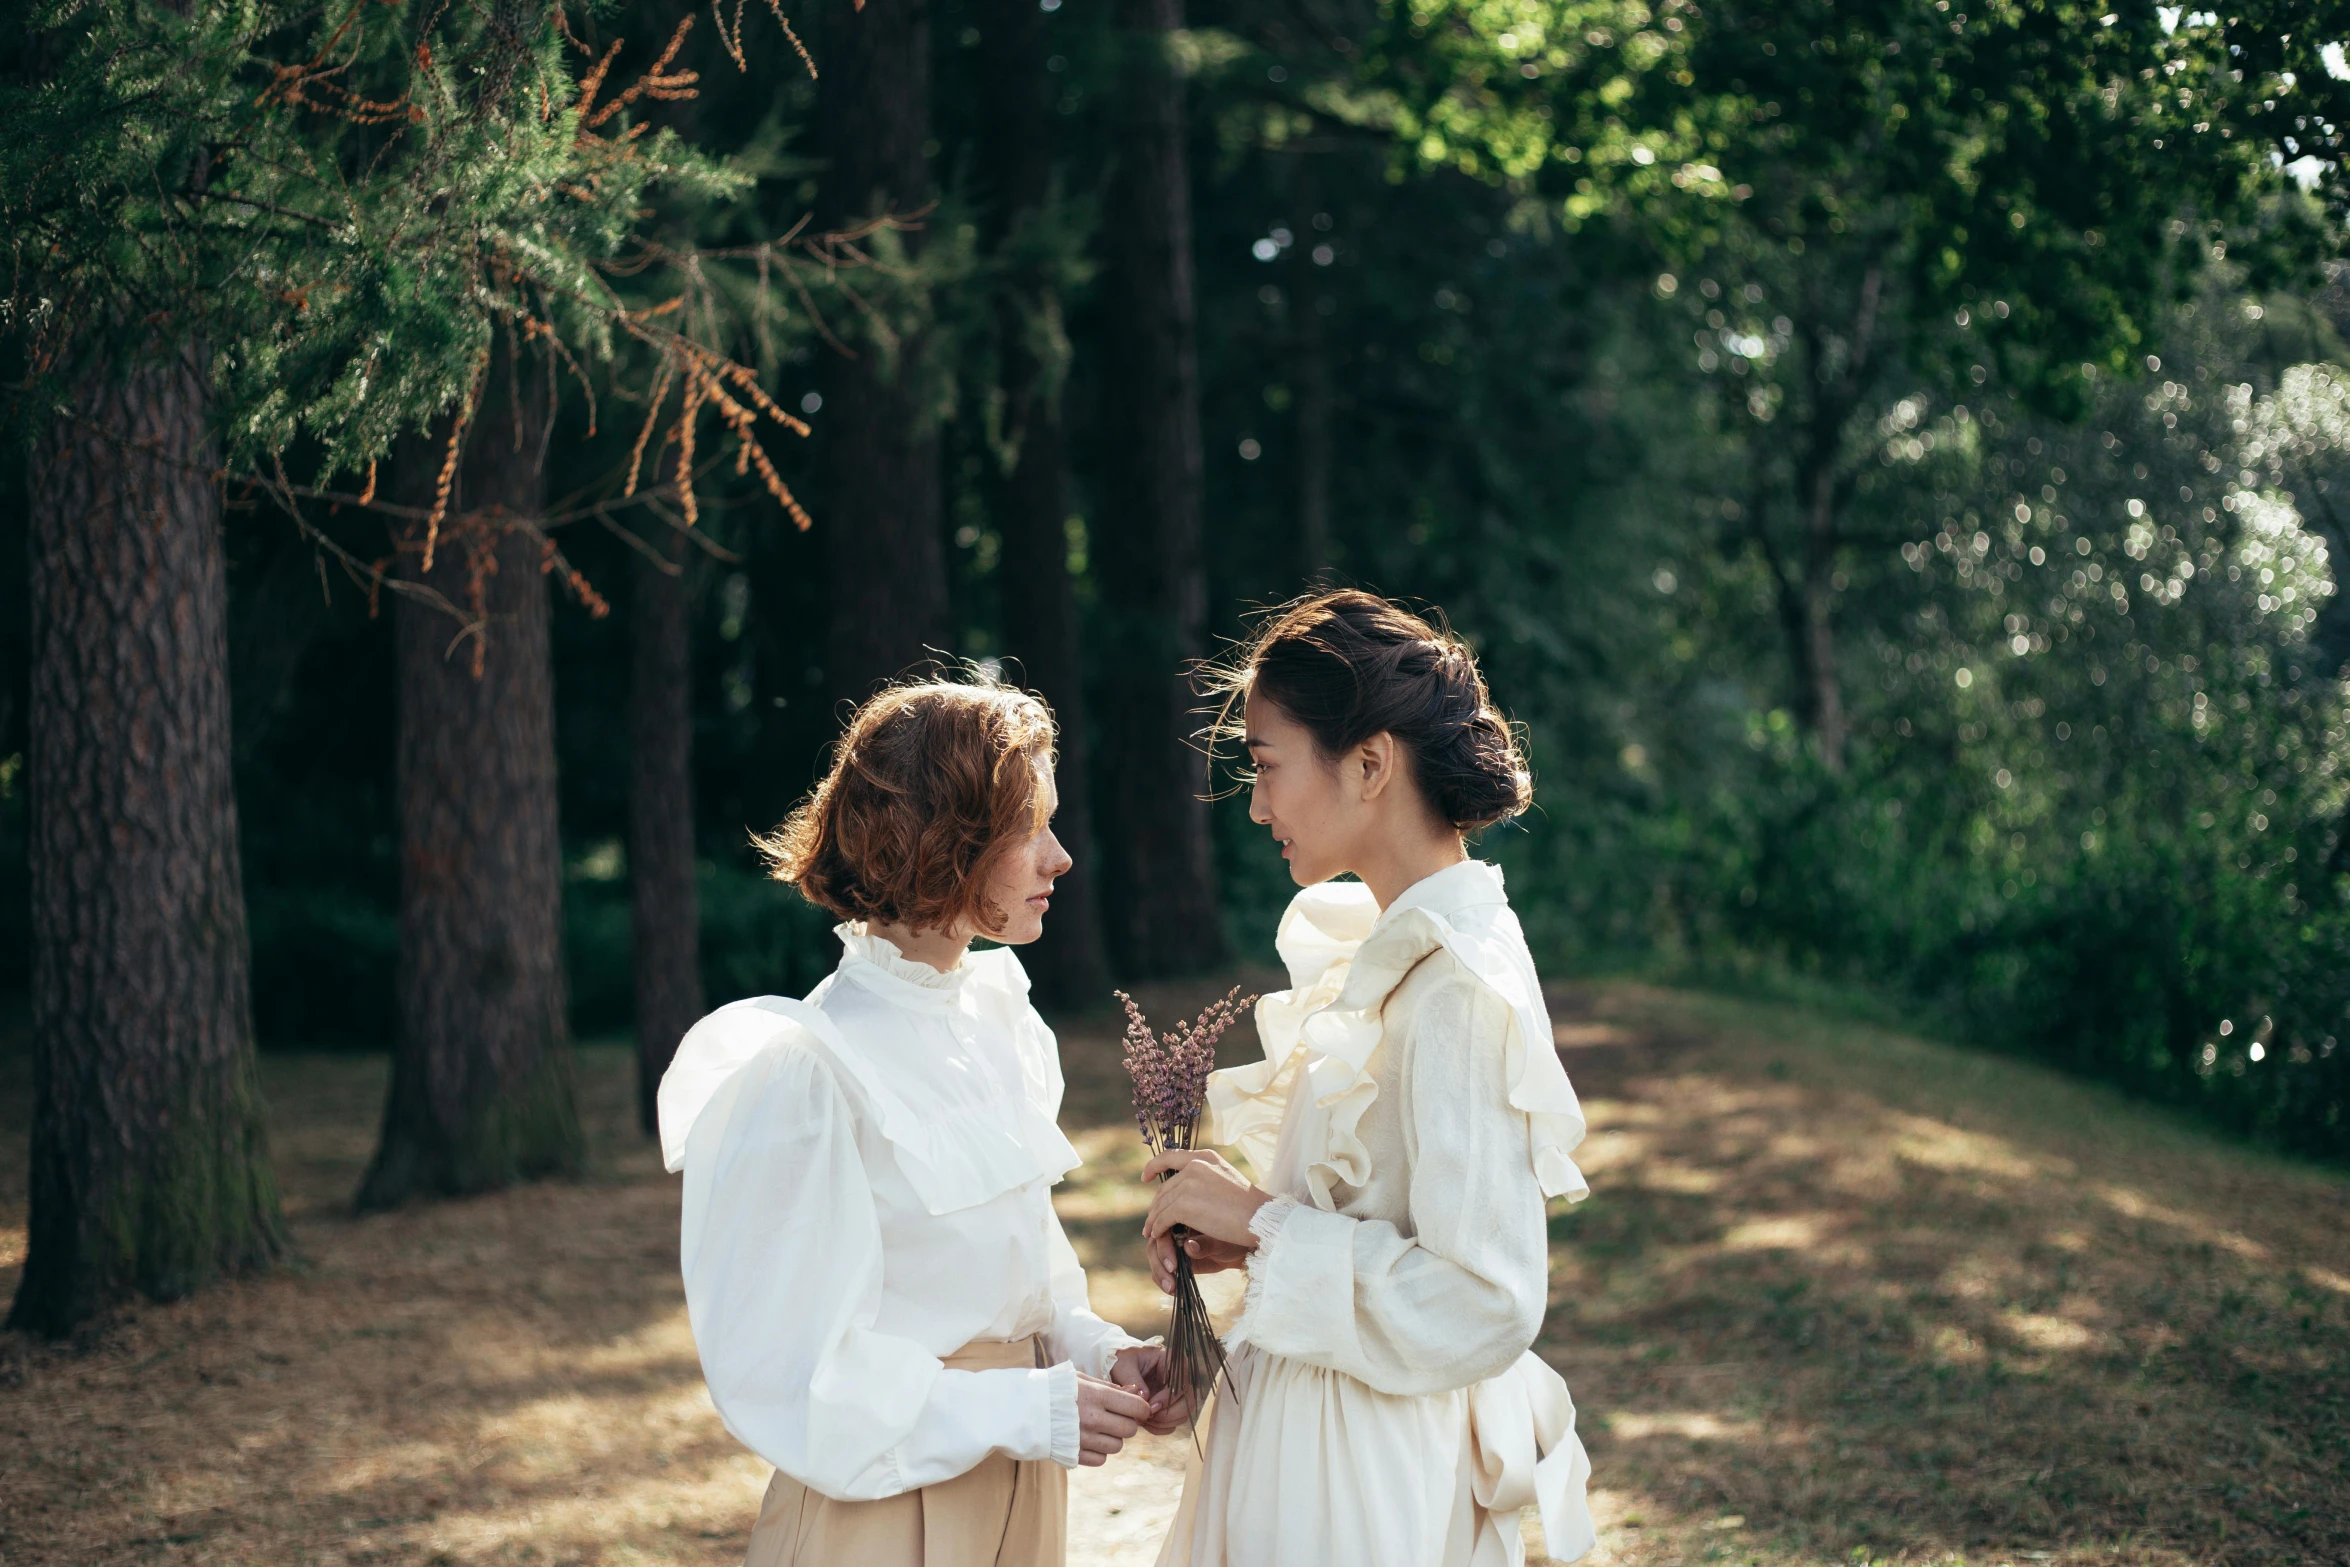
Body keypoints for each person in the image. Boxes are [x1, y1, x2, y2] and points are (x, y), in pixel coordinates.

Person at [658, 677, 1178, 1567]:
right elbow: (802, 1380)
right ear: (945, 840)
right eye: (1027, 829)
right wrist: (1025, 1408)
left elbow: (1023, 1273)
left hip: (1021, 1495)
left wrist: (1101, 1348)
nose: (1059, 858)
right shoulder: (807, 1072)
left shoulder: (997, 1018)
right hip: (885, 1516)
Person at [1140, 590, 1597, 1567]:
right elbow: (1385, 1223)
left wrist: (1264, 1222)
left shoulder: (1456, 984)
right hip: (1317, 1446)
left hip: (1362, 1485)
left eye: (1265, 765)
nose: (1257, 804)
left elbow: (1486, 1298)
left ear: (1370, 762)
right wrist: (1251, 1235)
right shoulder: (1403, 955)